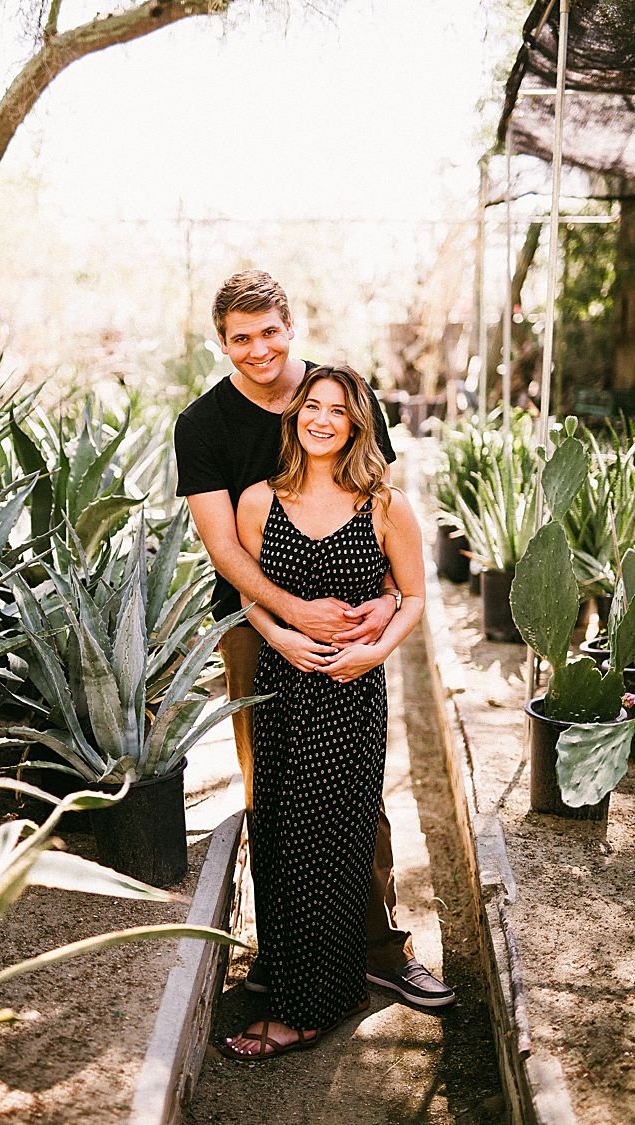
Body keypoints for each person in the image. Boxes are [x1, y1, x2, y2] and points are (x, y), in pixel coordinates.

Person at [173, 270, 455, 1009]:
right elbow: (226, 554)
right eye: (241, 337)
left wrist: (388, 601)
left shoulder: (337, 397)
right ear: (222, 342)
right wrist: (295, 615)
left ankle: (377, 947)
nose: (258, 348)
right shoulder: (203, 426)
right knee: (275, 790)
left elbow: (380, 512)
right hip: (257, 627)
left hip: (352, 623)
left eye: (270, 330)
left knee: (362, 796)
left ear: (290, 325)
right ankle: (288, 952)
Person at [216, 363, 425, 1058]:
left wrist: (376, 653)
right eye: (313, 406)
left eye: (339, 410)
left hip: (350, 694)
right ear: (296, 416)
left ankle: (307, 1010)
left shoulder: (384, 504)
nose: (324, 419)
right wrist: (281, 637)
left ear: (357, 422)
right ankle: (294, 975)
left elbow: (414, 595)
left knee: (328, 842)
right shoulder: (257, 502)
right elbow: (249, 593)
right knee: (276, 832)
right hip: (281, 685)